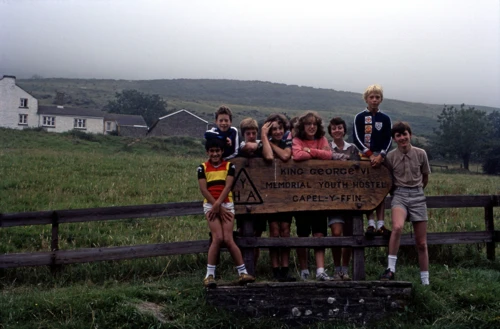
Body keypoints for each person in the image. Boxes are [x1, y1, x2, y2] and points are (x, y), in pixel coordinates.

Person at [198, 138, 255, 288]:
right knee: (217, 238)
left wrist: (220, 205)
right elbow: (204, 189)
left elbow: (228, 186)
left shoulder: (229, 166)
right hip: (210, 205)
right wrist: (216, 205)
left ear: (222, 151)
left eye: (217, 151)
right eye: (212, 151)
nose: (215, 154)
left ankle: (243, 273)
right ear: (207, 152)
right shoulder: (202, 168)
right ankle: (209, 275)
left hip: (226, 203)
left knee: (229, 239)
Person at [379, 121, 430, 285]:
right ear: (394, 139)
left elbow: (425, 177)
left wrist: (418, 190)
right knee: (397, 227)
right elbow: (388, 179)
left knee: (421, 243)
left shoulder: (421, 153)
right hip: (399, 194)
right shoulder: (391, 157)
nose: (402, 138)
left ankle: (425, 280)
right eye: (398, 135)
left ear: (410, 135)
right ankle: (391, 269)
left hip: (417, 194)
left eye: (404, 134)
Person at [292, 111, 333, 281]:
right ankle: (304, 271)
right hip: (301, 195)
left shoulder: (323, 140)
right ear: (302, 126)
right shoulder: (296, 140)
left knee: (319, 233)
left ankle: (320, 270)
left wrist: (309, 150)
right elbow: (297, 155)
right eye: (308, 124)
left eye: (314, 124)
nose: (311, 127)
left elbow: (329, 155)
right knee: (302, 233)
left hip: (319, 195)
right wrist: (316, 152)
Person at [353, 84, 392, 239]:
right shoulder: (359, 117)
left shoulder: (386, 118)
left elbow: (389, 139)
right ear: (366, 99)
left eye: (377, 97)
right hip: (364, 158)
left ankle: (381, 225)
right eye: (372, 97)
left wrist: (381, 155)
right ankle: (370, 224)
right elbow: (356, 138)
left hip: (380, 159)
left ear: (381, 99)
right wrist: (369, 155)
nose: (374, 100)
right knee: (368, 190)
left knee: (380, 191)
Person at [261, 113, 295, 281]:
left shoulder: (287, 142)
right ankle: (275, 270)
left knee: (286, 230)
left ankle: (285, 269)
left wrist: (273, 144)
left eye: (280, 128)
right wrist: (264, 137)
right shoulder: (263, 143)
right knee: (274, 230)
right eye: (273, 129)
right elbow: (267, 157)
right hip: (270, 196)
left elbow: (286, 155)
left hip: (286, 195)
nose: (277, 132)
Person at [327, 117, 361, 281]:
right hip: (332, 199)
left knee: (348, 235)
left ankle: (345, 270)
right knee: (336, 233)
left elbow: (358, 168)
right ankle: (336, 268)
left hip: (350, 198)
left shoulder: (353, 147)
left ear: (344, 130)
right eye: (334, 128)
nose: (337, 130)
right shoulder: (326, 147)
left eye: (339, 127)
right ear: (330, 131)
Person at [237, 117, 271, 268]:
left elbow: (269, 157)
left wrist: (262, 139)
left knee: (257, 235)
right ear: (243, 134)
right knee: (242, 233)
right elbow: (246, 148)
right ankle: (242, 268)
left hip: (260, 198)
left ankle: (253, 268)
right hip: (243, 198)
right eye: (248, 133)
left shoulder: (262, 146)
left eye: (253, 133)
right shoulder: (239, 149)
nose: (251, 136)